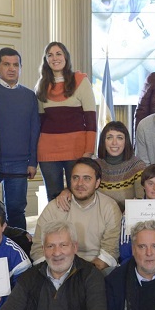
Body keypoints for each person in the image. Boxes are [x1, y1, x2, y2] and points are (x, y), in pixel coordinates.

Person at [0, 47, 41, 230]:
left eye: (16, 65)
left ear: (21, 67)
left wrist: (33, 162)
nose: (11, 69)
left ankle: (19, 249)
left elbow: (34, 130)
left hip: (20, 163)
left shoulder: (29, 96)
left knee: (16, 210)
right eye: (6, 64)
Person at [31, 158, 123, 271]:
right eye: (75, 178)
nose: (80, 184)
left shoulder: (109, 207)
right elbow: (37, 249)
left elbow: (110, 252)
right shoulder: (54, 207)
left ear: (97, 182)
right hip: (58, 270)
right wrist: (58, 274)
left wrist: (81, 276)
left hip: (95, 270)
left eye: (87, 179)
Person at [36, 41, 97, 202]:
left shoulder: (81, 81)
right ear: (46, 60)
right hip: (48, 150)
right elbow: (40, 122)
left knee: (78, 195)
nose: (54, 58)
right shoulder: (42, 85)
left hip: (76, 149)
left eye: (58, 54)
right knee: (54, 198)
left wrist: (89, 151)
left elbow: (91, 120)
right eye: (50, 55)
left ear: (66, 57)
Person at [97, 121, 146, 211]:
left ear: (125, 142)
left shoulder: (137, 166)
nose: (114, 143)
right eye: (109, 138)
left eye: (119, 138)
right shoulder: (94, 166)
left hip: (129, 218)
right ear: (103, 141)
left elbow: (141, 201)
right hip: (100, 218)